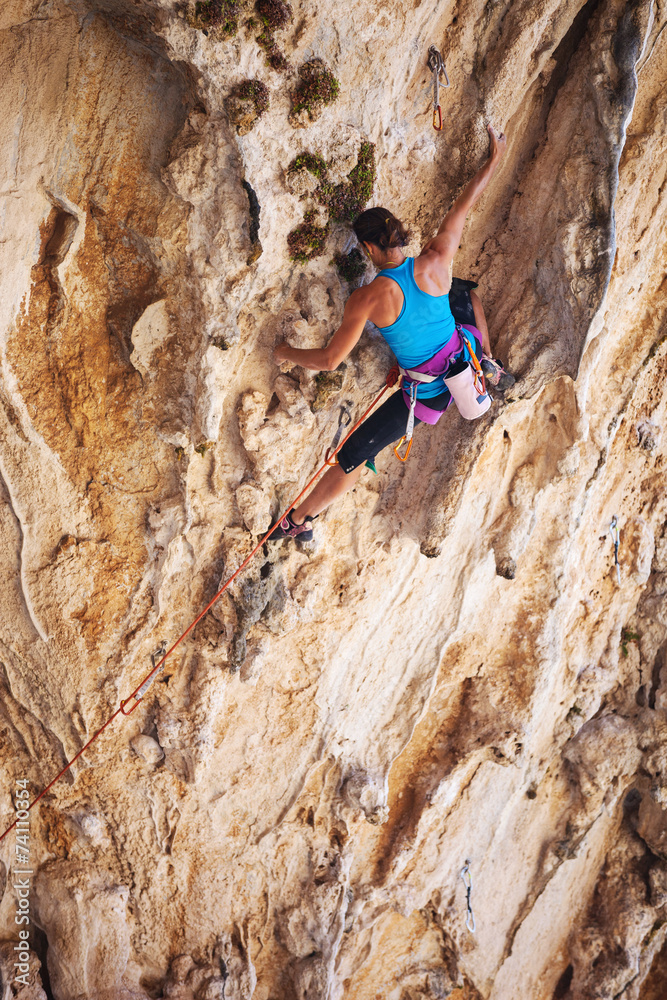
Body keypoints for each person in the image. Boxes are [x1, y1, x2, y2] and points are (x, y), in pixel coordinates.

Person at [269, 123, 511, 542]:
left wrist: (285, 352)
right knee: (466, 297)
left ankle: (298, 520)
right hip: (461, 358)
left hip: (426, 396)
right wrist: (495, 159)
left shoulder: (367, 298)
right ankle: (487, 358)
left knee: (355, 455)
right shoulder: (437, 258)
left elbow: (329, 361)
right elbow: (464, 206)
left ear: (368, 250)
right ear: (399, 236)